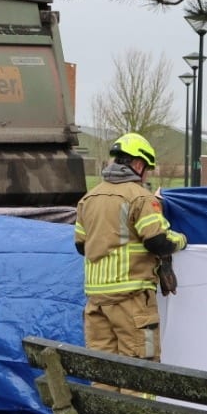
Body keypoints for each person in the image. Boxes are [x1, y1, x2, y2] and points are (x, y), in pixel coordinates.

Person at [74, 133, 186, 362]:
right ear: (137, 164)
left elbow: (81, 246)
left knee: (104, 375)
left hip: (96, 302)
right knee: (140, 374)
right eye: (147, 169)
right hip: (131, 301)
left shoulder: (88, 199)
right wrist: (181, 240)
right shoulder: (141, 198)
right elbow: (158, 242)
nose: (146, 176)